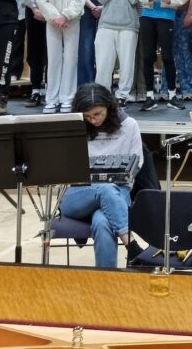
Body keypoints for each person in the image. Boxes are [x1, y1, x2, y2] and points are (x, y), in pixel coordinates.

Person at [60, 84, 145, 268]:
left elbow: (137, 164)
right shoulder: (75, 127)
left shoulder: (129, 125)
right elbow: (67, 168)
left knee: (102, 221)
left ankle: (106, 280)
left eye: (98, 114)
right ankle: (132, 246)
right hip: (79, 194)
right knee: (104, 188)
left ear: (109, 107)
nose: (93, 120)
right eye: (88, 116)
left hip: (119, 191)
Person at [136, 0, 189, 112]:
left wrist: (169, 0)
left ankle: (172, 95)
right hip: (147, 16)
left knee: (167, 56)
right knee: (147, 57)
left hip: (166, 17)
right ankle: (150, 97)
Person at [35, 0, 87, 113]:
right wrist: (54, 16)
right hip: (53, 22)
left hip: (71, 21)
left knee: (71, 59)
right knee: (54, 59)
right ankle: (52, 98)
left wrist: (65, 15)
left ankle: (67, 98)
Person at [94, 0, 143, 107]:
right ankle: (103, 94)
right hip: (106, 24)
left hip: (128, 25)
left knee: (127, 62)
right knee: (103, 62)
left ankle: (123, 95)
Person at [22, 0, 59, 108]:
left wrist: (51, 10)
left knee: (52, 52)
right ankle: (35, 89)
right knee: (35, 51)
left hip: (55, 13)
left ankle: (51, 90)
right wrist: (35, 8)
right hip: (35, 12)